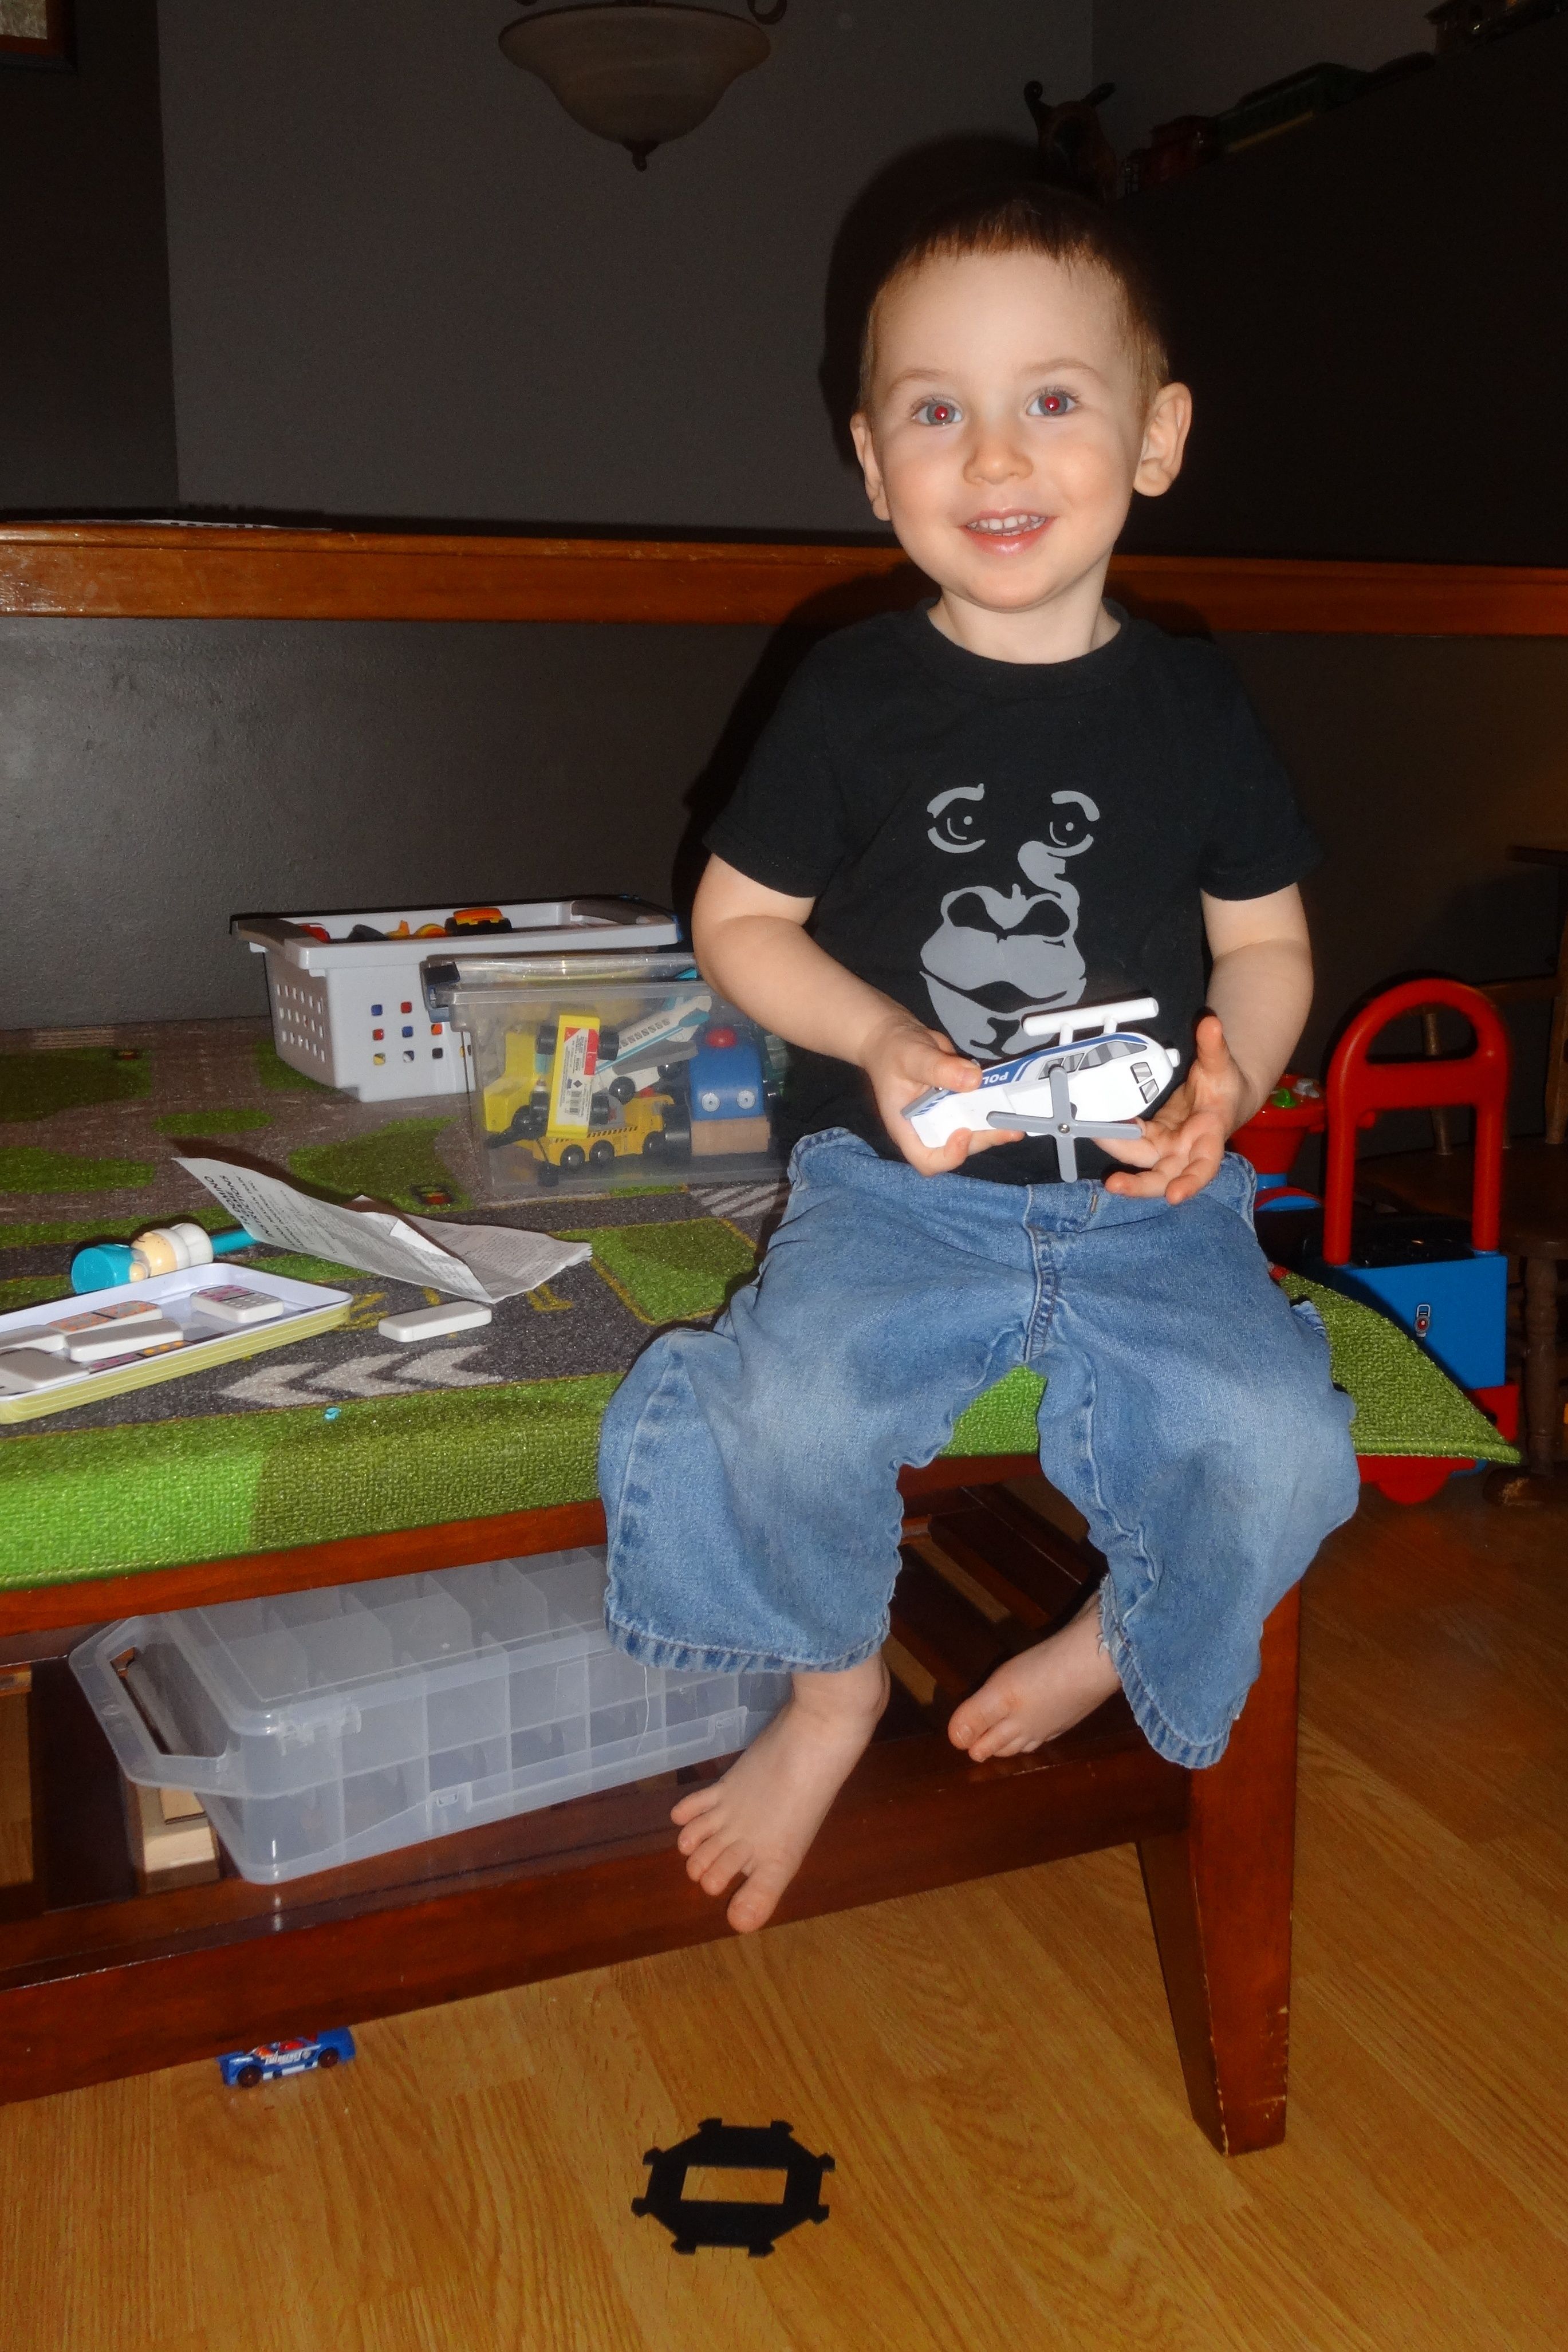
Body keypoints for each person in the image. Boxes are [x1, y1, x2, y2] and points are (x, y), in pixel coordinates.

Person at [598, 184, 1359, 1935]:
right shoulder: (848, 690)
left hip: (1148, 1196)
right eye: (936, 409)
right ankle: (828, 1685)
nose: (995, 454)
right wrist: (872, 1033)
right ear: (875, 462)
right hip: (902, 1189)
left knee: (1278, 1439)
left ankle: (1123, 1631)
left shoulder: (1193, 702)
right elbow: (736, 922)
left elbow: (1264, 948)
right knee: (779, 1407)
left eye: (1053, 399)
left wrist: (1230, 1083)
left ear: (1155, 437)